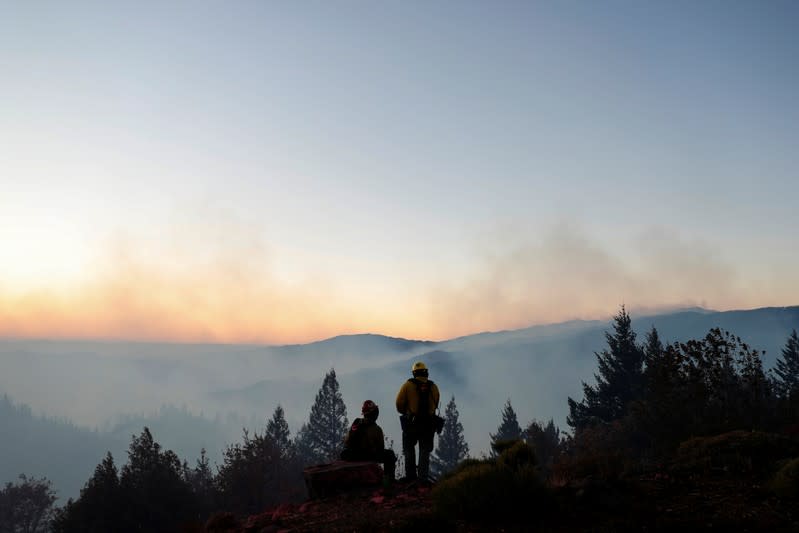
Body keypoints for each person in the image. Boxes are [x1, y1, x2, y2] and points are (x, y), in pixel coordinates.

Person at [395, 361, 440, 483]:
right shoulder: (434, 387)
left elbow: (399, 404)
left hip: (411, 424)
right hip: (428, 424)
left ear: (414, 373)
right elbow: (436, 404)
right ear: (426, 372)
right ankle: (423, 478)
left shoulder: (407, 385)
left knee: (409, 449)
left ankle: (410, 477)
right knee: (424, 450)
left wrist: (407, 412)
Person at [340, 400, 396, 483]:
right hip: (368, 455)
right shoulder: (377, 429)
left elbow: (347, 441)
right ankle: (388, 481)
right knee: (390, 454)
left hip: (353, 455)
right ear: (375, 414)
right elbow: (380, 448)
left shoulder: (356, 422)